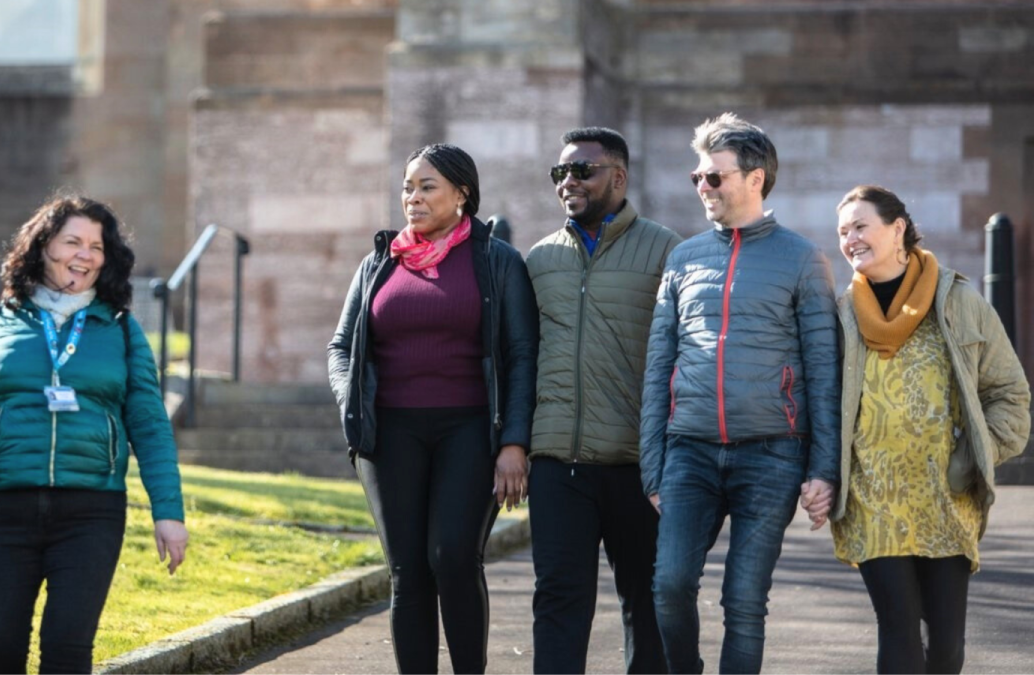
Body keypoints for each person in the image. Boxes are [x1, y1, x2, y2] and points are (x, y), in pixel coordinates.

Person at [0, 195, 188, 674]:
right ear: (43, 248)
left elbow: (149, 425)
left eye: (96, 246)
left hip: (92, 511)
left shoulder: (122, 332)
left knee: (66, 651)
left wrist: (169, 512)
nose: (85, 255)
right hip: (4, 507)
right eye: (72, 242)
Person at [640, 112, 841, 674]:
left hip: (772, 454)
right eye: (698, 177)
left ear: (755, 179)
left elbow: (823, 372)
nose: (704, 187)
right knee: (670, 586)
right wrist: (652, 467)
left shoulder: (803, 259)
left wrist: (823, 469)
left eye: (715, 176)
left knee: (744, 604)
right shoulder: (683, 258)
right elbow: (660, 366)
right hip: (689, 452)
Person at [327, 143, 538, 673]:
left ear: (462, 194)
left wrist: (514, 442)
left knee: (451, 557)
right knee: (407, 572)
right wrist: (351, 402)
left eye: (427, 187)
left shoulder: (497, 261)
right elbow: (340, 346)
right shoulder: (380, 260)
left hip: (469, 428)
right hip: (389, 434)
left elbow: (521, 354)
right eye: (407, 187)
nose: (412, 198)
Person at [809, 185, 1031, 674]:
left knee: (947, 644)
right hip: (873, 497)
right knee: (899, 628)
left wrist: (974, 456)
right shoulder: (839, 315)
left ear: (898, 229)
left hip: (946, 500)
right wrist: (821, 473)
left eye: (860, 226)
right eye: (842, 231)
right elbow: (819, 404)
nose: (850, 239)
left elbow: (1010, 396)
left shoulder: (958, 301)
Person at [523, 126, 680, 674]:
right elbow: (522, 358)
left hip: (639, 465)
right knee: (559, 599)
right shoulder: (539, 259)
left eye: (582, 170)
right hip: (557, 464)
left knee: (649, 602)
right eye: (560, 172)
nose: (569, 181)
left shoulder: (667, 250)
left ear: (618, 175)